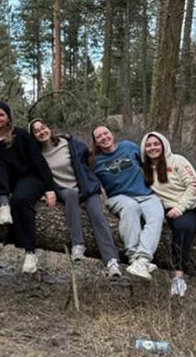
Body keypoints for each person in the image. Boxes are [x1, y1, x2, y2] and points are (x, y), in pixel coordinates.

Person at [29, 119, 122, 279]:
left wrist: (107, 168)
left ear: (49, 128)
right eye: (36, 131)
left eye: (43, 127)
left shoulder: (67, 142)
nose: (41, 132)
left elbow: (89, 156)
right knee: (71, 195)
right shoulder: (37, 155)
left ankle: (111, 261)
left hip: (86, 189)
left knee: (98, 217)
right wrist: (44, 192)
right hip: (64, 191)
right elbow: (37, 177)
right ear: (33, 136)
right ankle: (77, 245)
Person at [140, 131, 196, 307]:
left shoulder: (177, 160)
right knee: (183, 230)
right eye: (148, 145)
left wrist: (180, 207)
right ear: (144, 149)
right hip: (176, 210)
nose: (153, 148)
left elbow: (194, 185)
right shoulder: (144, 169)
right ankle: (178, 279)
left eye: (156, 144)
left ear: (163, 145)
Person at [0, 101, 57, 274]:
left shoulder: (21, 135)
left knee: (20, 199)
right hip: (6, 185)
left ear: (8, 118)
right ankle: (3, 206)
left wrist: (49, 188)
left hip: (30, 179)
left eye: (1, 114)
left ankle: (30, 252)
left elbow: (38, 160)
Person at [90, 124, 164, 280]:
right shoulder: (95, 162)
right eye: (99, 137)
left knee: (157, 214)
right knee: (131, 208)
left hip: (145, 194)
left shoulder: (129, 147)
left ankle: (142, 260)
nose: (104, 138)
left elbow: (150, 164)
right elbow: (88, 182)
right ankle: (133, 256)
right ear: (96, 142)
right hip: (118, 198)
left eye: (106, 133)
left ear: (112, 134)